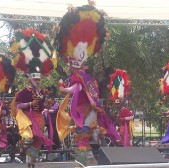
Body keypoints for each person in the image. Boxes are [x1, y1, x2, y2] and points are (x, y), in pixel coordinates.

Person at [56, 3, 121, 166]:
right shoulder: (84, 76)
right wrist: (67, 89)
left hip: (86, 109)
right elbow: (80, 88)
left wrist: (65, 89)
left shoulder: (81, 76)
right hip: (87, 109)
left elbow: (78, 88)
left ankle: (91, 157)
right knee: (89, 131)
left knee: (87, 131)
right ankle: (92, 156)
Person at [10, 28, 56, 168]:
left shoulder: (41, 91)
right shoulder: (24, 91)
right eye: (35, 80)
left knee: (36, 145)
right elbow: (18, 106)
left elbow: (42, 106)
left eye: (39, 80)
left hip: (39, 120)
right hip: (28, 120)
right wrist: (31, 103)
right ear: (30, 80)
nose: (38, 81)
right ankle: (22, 149)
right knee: (28, 139)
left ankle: (32, 164)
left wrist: (46, 107)